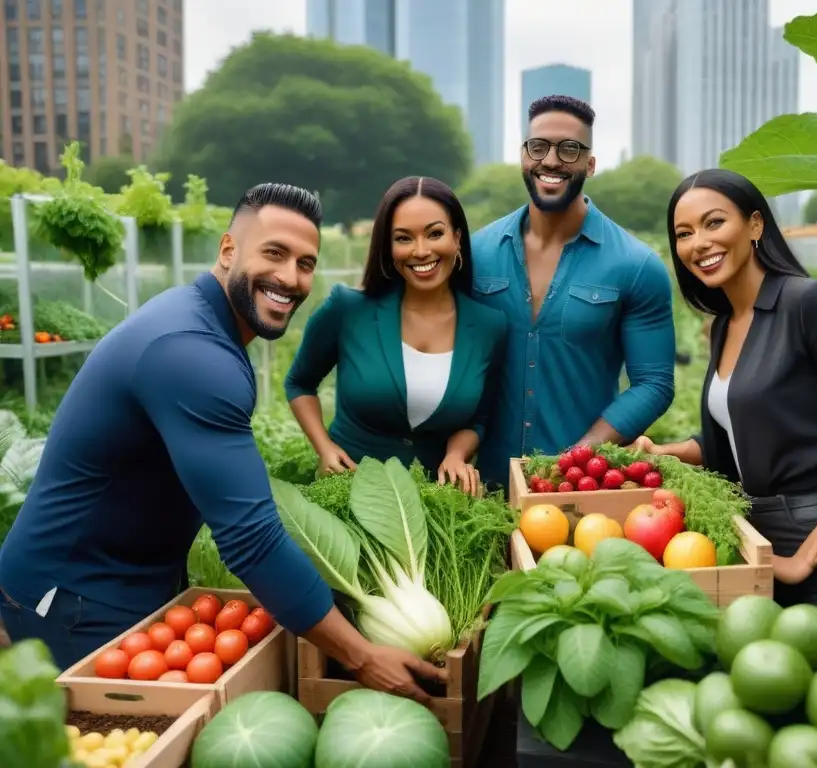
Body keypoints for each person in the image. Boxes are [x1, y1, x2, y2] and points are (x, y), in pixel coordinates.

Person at [0, 183, 446, 701]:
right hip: (73, 598)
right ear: (229, 250)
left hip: (124, 586)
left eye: (306, 263)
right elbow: (249, 536)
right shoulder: (190, 352)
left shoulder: (205, 327)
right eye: (274, 253)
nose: (290, 278)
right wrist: (361, 655)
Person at [631, 168, 817, 626]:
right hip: (757, 546)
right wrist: (665, 452)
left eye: (714, 223)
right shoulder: (724, 325)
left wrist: (805, 558)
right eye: (684, 233)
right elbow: (737, 435)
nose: (699, 243)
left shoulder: (812, 304)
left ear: (755, 225)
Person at [470, 95, 676, 488]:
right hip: (479, 489)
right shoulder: (476, 253)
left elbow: (654, 383)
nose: (551, 160)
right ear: (523, 156)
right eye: (539, 146)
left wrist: (577, 458)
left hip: (578, 492)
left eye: (570, 149)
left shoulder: (636, 265)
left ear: (590, 164)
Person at [284, 177, 507, 496]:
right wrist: (325, 448)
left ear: (457, 238)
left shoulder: (489, 325)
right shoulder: (348, 309)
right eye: (403, 238)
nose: (421, 250)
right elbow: (299, 383)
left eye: (435, 233)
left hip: (437, 505)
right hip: (347, 493)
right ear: (388, 248)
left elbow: (479, 419)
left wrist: (457, 455)